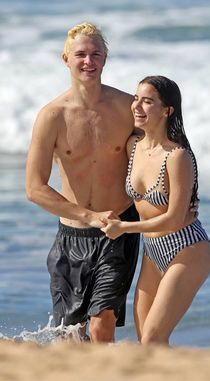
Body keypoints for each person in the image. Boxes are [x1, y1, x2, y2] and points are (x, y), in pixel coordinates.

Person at [25, 22, 140, 343]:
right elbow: (34, 188)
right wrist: (88, 216)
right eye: (80, 55)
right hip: (72, 236)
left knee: (102, 324)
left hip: (118, 227)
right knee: (70, 337)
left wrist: (183, 195)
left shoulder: (128, 108)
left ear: (105, 59)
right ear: (66, 59)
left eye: (96, 54)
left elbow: (167, 149)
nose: (88, 61)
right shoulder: (52, 116)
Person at [101, 75, 210, 345]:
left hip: (187, 249)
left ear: (167, 110)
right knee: (148, 343)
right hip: (152, 253)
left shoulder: (177, 157)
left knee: (153, 337)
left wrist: (124, 228)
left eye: (147, 101)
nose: (137, 107)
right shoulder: (133, 146)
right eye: (136, 99)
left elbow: (174, 219)